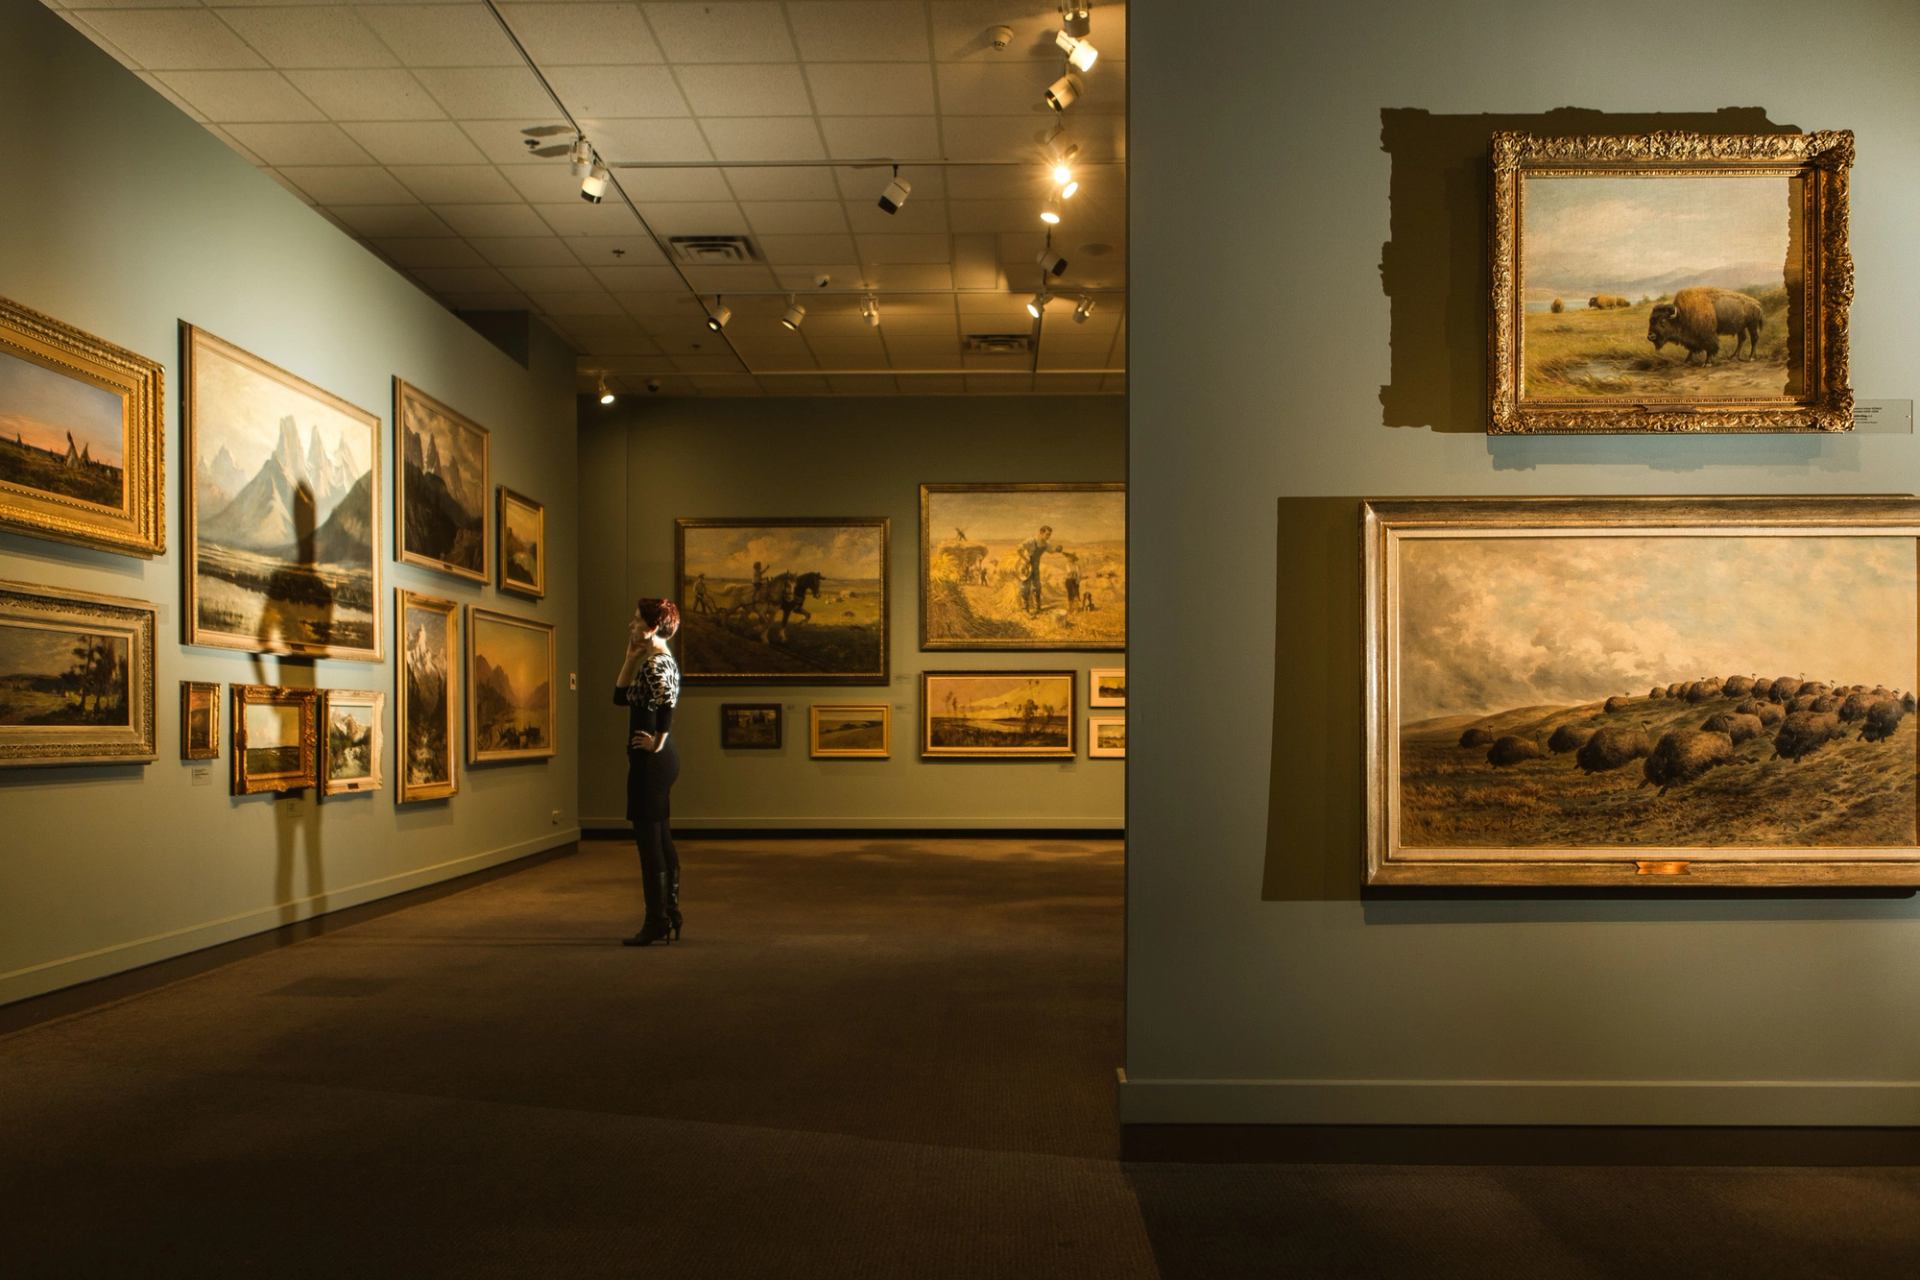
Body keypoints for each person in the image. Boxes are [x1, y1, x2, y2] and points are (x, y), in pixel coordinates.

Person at [614, 597, 683, 946]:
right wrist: (629, 658)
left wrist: (656, 741)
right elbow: (619, 697)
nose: (631, 625)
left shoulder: (656, 666)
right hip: (658, 763)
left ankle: (657, 919)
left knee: (649, 843)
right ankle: (668, 913)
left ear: (653, 627)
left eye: (637, 620)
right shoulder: (654, 659)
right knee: (660, 838)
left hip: (652, 764)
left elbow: (667, 706)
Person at [1017, 525, 1067, 615]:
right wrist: (1025, 559)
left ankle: (1037, 608)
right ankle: (1025, 609)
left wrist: (1057, 550)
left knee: (1037, 587)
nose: (1048, 537)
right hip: (1026, 566)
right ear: (1041, 532)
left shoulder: (1046, 544)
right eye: (1047, 534)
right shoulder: (1031, 541)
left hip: (1035, 566)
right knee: (1025, 587)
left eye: (1049, 535)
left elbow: (1051, 551)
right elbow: (1018, 549)